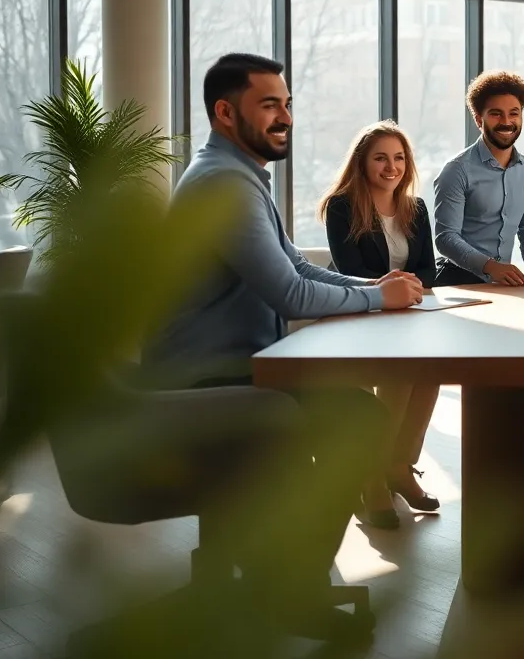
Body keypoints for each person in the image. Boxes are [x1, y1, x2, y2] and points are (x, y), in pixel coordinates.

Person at [141, 53, 424, 629]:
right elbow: (292, 295)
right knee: (358, 417)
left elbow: (297, 266)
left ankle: (281, 574)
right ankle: (288, 587)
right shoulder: (224, 185)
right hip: (202, 383)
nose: (285, 117)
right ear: (225, 112)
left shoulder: (239, 176)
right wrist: (378, 298)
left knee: (351, 409)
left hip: (236, 369)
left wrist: (376, 285)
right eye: (269, 105)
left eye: (287, 103)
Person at [320, 120, 441, 530]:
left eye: (399, 158)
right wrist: (393, 288)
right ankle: (371, 476)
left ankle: (399, 466)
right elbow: (351, 269)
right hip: (356, 311)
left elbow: (428, 267)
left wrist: (409, 286)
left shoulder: (416, 207)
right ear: (363, 163)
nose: (392, 167)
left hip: (407, 310)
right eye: (381, 158)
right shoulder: (341, 206)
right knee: (396, 374)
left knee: (430, 372)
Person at [432, 70, 524, 287]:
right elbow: (446, 238)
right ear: (479, 119)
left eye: (514, 113)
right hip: (458, 283)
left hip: (503, 286)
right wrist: (490, 266)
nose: (507, 122)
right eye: (496, 114)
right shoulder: (456, 170)